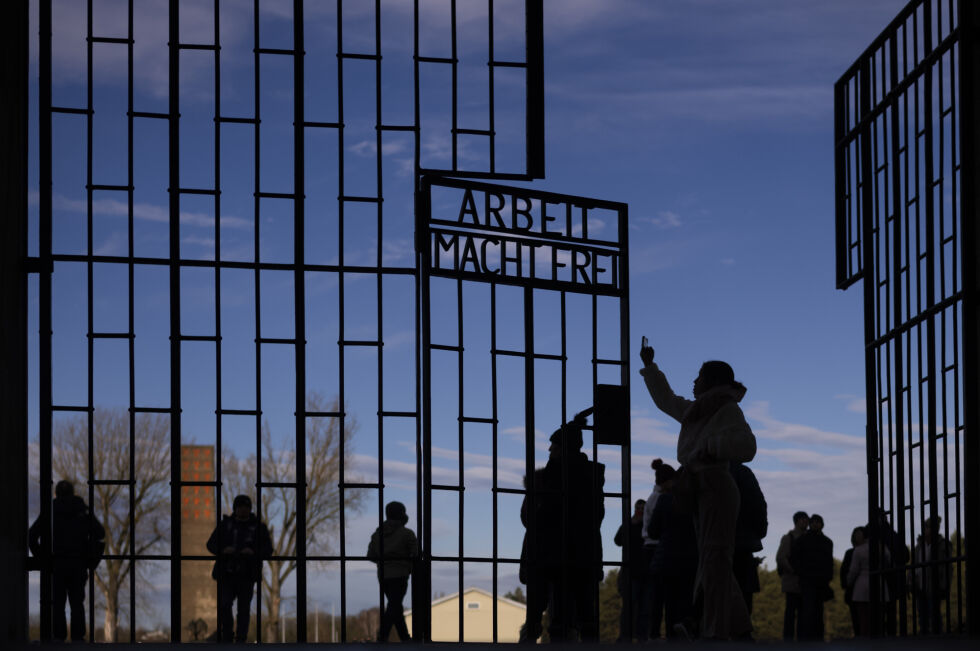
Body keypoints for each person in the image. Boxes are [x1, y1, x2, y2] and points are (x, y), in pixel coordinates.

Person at [639, 345, 755, 641]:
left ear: (712, 381)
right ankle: (736, 628)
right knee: (714, 559)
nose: (693, 382)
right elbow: (666, 400)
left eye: (699, 376)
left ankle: (714, 629)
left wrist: (709, 448)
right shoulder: (701, 410)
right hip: (702, 488)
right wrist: (650, 367)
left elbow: (747, 446)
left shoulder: (727, 409)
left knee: (715, 557)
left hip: (714, 485)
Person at [521, 411, 605, 642]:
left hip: (550, 556)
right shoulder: (592, 476)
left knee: (547, 615)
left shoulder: (548, 478)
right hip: (583, 553)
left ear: (562, 448)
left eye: (553, 445)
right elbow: (598, 515)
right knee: (585, 616)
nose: (549, 450)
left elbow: (531, 519)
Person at [28, 480, 106, 642]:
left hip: (56, 564)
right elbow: (100, 533)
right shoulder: (82, 510)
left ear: (56, 493)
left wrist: (43, 557)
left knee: (57, 604)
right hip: (78, 563)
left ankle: (58, 637)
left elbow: (32, 536)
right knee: (77, 603)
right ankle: (78, 637)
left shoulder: (51, 511)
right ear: (72, 492)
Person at [206, 494, 272, 643]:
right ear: (236, 508)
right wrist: (224, 551)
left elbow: (268, 549)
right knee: (227, 606)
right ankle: (231, 636)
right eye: (241, 507)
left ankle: (237, 637)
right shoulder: (252, 527)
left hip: (245, 574)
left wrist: (253, 552)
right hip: (231, 573)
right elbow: (211, 544)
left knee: (241, 609)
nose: (243, 510)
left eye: (246, 507)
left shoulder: (232, 525)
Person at [646, 462, 698, 640]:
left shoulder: (664, 500)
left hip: (665, 559)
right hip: (690, 560)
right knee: (682, 605)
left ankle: (660, 636)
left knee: (661, 603)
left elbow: (652, 531)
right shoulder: (697, 500)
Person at [367, 501, 419, 642]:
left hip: (383, 575)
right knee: (394, 606)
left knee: (395, 606)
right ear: (402, 514)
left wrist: (383, 562)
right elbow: (416, 554)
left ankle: (404, 637)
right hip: (400, 574)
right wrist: (406, 563)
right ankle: (383, 636)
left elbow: (370, 555)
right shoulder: (407, 533)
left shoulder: (378, 534)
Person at [730, 461, 767, 615]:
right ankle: (742, 631)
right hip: (743, 543)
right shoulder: (743, 473)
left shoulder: (703, 469)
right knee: (744, 592)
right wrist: (759, 531)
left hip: (712, 542)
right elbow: (758, 505)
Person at [791, 513, 834, 641]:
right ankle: (808, 637)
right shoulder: (803, 541)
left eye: (818, 522)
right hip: (808, 579)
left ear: (822, 524)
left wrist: (828, 577)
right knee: (809, 609)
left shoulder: (826, 542)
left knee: (817, 610)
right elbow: (795, 559)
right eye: (813, 522)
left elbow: (829, 562)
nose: (815, 524)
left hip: (819, 580)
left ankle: (816, 637)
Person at [911, 516, 952, 634]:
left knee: (934, 614)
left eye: (929, 527)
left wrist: (944, 584)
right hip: (920, 584)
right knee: (922, 615)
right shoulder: (919, 545)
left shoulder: (942, 545)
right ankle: (924, 636)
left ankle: (937, 636)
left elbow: (947, 567)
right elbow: (913, 564)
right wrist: (910, 579)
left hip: (934, 584)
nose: (927, 530)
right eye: (927, 527)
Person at [613, 499, 646, 642]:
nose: (639, 512)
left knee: (638, 607)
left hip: (640, 571)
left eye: (642, 509)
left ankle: (635, 635)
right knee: (630, 607)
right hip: (633, 571)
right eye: (638, 508)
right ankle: (630, 635)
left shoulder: (645, 525)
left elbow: (617, 541)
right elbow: (618, 540)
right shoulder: (632, 525)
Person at [845, 525, 886, 637]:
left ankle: (865, 640)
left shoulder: (858, 550)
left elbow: (853, 570)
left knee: (863, 618)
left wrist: (848, 582)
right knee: (878, 616)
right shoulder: (880, 547)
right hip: (878, 582)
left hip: (861, 585)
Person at [776, 511, 808, 640]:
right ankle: (788, 640)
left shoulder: (807, 537)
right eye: (803, 520)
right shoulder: (788, 537)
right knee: (790, 611)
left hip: (804, 581)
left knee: (802, 613)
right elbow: (781, 558)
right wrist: (793, 570)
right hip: (792, 580)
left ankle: (799, 640)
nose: (806, 522)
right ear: (797, 521)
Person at [841, 526, 864, 636]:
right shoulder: (850, 553)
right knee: (855, 617)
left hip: (859, 587)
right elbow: (844, 571)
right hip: (853, 588)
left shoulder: (852, 552)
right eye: (856, 535)